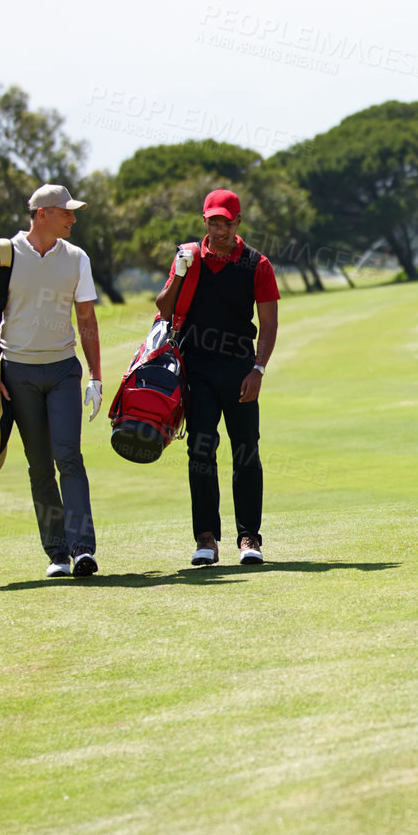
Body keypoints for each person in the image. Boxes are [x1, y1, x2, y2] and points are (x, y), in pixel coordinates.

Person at [0, 184, 103, 578]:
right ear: (43, 213)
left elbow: (86, 320)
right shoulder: (2, 255)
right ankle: (57, 553)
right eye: (67, 212)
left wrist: (96, 376)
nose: (73, 218)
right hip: (18, 373)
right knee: (39, 465)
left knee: (69, 457)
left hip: (63, 369)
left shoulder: (77, 258)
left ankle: (83, 549)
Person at [154, 189, 280, 566]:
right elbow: (163, 308)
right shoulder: (188, 258)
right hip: (197, 368)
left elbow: (269, 323)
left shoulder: (257, 264)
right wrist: (178, 272)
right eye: (213, 221)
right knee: (201, 450)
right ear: (204, 220)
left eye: (225, 221)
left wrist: (258, 369)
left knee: (246, 451)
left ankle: (249, 537)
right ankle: (206, 537)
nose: (219, 228)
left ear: (237, 221)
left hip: (240, 367)